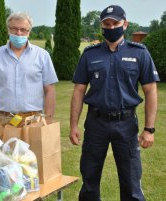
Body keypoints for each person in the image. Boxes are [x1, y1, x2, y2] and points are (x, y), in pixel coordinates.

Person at [69, 5, 160, 201]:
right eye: (106, 24)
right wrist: (73, 125)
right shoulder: (90, 54)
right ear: (101, 26)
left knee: (131, 181)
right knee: (90, 178)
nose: (111, 28)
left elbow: (151, 90)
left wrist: (149, 129)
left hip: (126, 124)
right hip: (95, 123)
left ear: (125, 24)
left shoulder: (140, 53)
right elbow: (78, 90)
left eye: (115, 23)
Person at [0, 12, 58, 126]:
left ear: (29, 31)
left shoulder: (42, 55)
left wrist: (47, 121)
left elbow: (50, 90)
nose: (18, 33)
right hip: (3, 120)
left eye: (23, 29)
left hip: (34, 120)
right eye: (14, 29)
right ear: (8, 29)